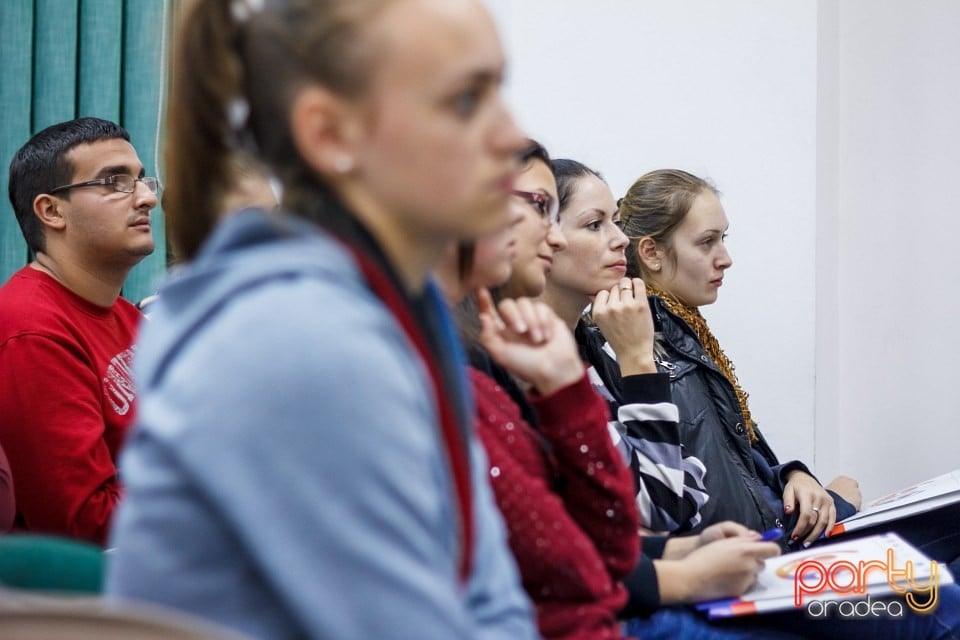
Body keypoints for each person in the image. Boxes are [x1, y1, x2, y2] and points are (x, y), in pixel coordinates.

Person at [105, 1, 538, 638]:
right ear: (330, 135)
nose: (512, 136)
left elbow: (487, 593)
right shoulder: (298, 341)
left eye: (500, 88)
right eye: (467, 100)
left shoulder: (397, 310)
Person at [536, 159, 960, 639]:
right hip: (757, 554)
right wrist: (833, 506)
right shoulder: (634, 341)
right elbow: (675, 506)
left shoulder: (653, 338)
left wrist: (792, 473)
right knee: (936, 602)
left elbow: (730, 459)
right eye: (707, 241)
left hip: (764, 545)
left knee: (940, 577)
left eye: (724, 239)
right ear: (652, 254)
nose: (619, 239)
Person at [0, 117, 157, 544]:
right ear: (51, 211)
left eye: (142, 180)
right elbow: (81, 522)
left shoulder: (126, 317)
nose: (146, 198)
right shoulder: (31, 331)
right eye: (114, 182)